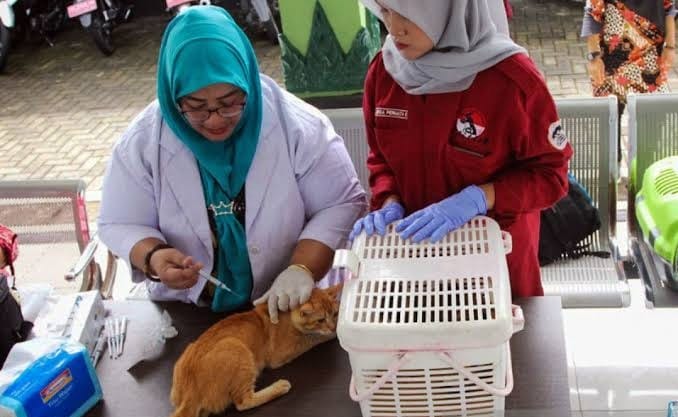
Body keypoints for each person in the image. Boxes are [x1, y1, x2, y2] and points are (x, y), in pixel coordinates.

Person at [97, 6, 366, 322]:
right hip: (186, 311)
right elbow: (118, 222)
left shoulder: (297, 126)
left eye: (229, 104)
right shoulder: (142, 143)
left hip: (288, 307)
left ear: (247, 81)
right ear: (173, 97)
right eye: (196, 108)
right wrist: (154, 256)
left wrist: (302, 268)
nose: (214, 121)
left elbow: (340, 202)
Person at [350, 0, 573, 297]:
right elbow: (381, 160)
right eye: (387, 11)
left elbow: (551, 177)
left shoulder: (512, 80)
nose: (394, 28)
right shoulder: (384, 72)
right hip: (415, 261)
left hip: (495, 264)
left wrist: (480, 198)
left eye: (409, 14)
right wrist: (389, 199)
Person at [582, 0, 676, 161]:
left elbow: (669, 8)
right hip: (611, 57)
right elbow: (592, 12)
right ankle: (613, 171)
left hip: (649, 55)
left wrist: (670, 47)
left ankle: (643, 168)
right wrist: (594, 57)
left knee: (651, 118)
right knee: (610, 118)